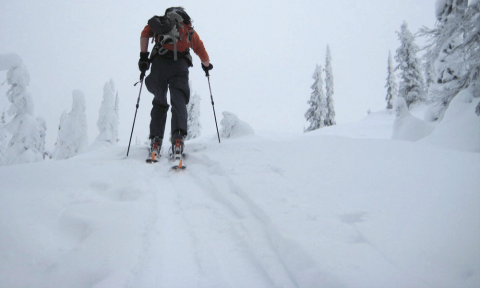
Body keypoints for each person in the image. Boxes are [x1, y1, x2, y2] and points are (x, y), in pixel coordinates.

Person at [138, 6, 213, 160]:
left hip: (159, 63)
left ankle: (156, 141)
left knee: (159, 101)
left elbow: (145, 33)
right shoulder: (188, 29)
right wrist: (207, 66)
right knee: (178, 100)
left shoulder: (160, 23)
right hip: (180, 66)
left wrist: (143, 57)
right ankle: (178, 140)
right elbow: (201, 50)